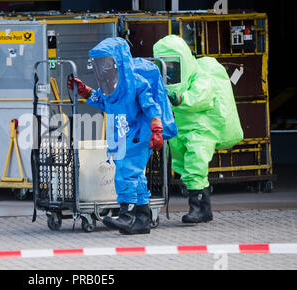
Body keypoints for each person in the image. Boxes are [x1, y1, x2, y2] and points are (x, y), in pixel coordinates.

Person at [68, 37, 177, 235]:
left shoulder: (135, 81)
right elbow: (104, 100)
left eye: (106, 61)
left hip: (138, 132)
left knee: (126, 172)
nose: (103, 67)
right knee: (135, 175)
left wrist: (157, 129)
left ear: (117, 59)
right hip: (121, 133)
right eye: (100, 63)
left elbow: (151, 106)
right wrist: (86, 91)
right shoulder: (113, 84)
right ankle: (142, 219)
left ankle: (127, 215)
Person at [153, 35, 244, 223]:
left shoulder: (201, 76)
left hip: (200, 128)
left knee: (196, 164)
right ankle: (203, 209)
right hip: (179, 127)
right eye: (165, 63)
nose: (169, 67)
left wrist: (179, 99)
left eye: (172, 63)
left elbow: (200, 97)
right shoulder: (165, 78)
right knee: (183, 166)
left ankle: (198, 208)